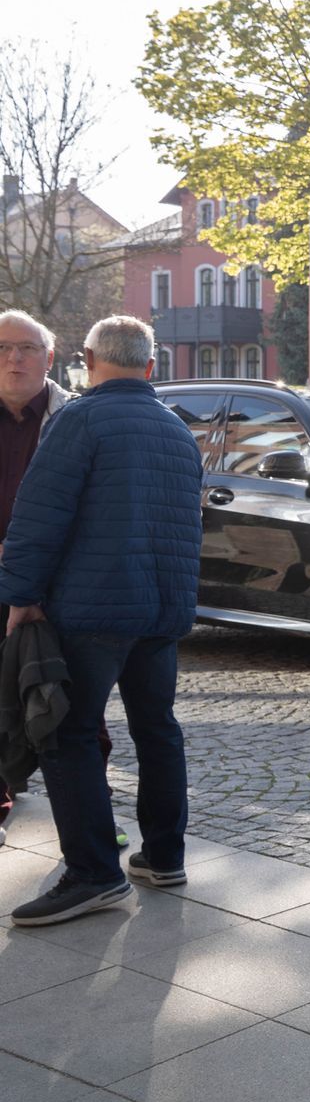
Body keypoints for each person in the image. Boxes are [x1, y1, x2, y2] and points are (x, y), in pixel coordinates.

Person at [1, 316, 201, 925]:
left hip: (92, 609)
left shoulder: (79, 420)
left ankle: (93, 874)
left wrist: (19, 595)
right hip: (161, 610)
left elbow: (39, 516)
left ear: (87, 360)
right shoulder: (176, 428)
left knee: (67, 733)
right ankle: (164, 857)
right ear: (150, 366)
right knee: (157, 728)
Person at [0, 309, 69, 844]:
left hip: (56, 584)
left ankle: (88, 818)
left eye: (25, 348)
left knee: (69, 700)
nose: (13, 359)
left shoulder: (73, 418)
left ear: (49, 357)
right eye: (2, 349)